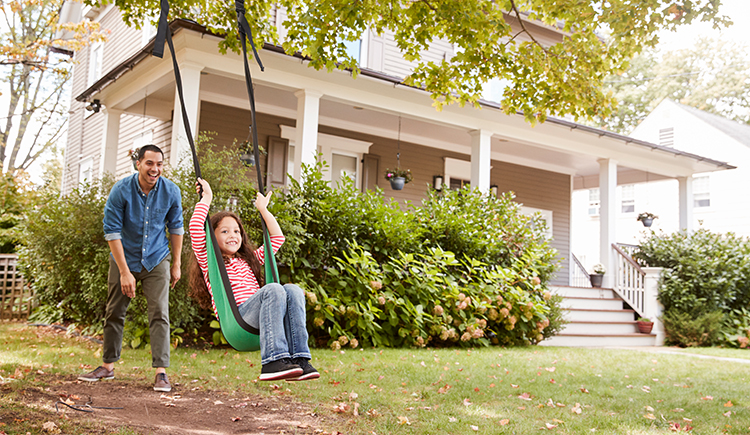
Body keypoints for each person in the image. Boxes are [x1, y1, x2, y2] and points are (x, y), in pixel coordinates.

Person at [188, 178, 318, 382]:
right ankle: (273, 361)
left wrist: (263, 210)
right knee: (274, 289)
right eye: (224, 231)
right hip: (238, 320)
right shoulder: (210, 260)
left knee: (293, 289)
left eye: (237, 231)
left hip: (265, 316)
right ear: (212, 237)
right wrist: (207, 198)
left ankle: (300, 358)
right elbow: (196, 228)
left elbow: (277, 238)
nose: (233, 235)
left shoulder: (249, 260)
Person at [78, 145, 184, 392]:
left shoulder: (171, 191)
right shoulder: (121, 190)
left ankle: (161, 372)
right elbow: (112, 232)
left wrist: (176, 264)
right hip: (124, 257)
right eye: (149, 163)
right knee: (115, 311)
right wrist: (124, 271)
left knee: (159, 313)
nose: (155, 169)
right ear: (138, 163)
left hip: (157, 259)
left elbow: (176, 227)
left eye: (159, 164)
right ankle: (107, 366)